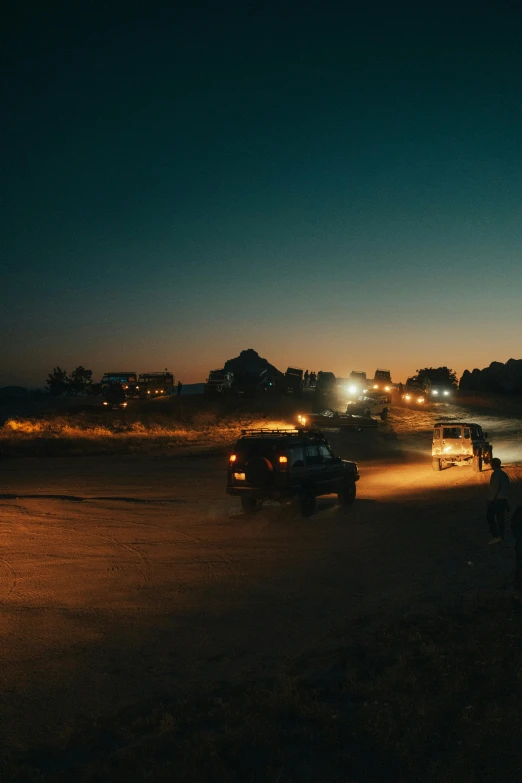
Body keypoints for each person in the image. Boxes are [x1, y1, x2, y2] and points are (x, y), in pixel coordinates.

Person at [486, 457, 510, 544]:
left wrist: (490, 499)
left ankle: (496, 536)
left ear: (493, 465)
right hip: (503, 500)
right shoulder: (504, 474)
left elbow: (494, 488)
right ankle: (501, 536)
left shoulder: (495, 475)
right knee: (501, 519)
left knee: (490, 517)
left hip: (496, 500)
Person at [511, 505, 522, 590]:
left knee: (519, 563)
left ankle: (517, 583)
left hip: (520, 541)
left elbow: (513, 524)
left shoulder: (519, 509)